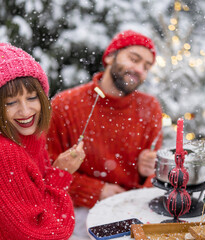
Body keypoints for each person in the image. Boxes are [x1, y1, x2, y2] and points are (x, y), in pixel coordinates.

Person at [0, 41, 85, 240]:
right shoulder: (0, 154)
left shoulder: (29, 135)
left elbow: (35, 198)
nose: (25, 111)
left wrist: (57, 170)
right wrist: (62, 175)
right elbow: (42, 233)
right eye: (11, 103)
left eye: (32, 98)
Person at [47, 30, 163, 209]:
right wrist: (95, 190)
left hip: (131, 209)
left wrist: (147, 169)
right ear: (110, 57)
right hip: (76, 210)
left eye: (146, 67)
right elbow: (47, 168)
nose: (140, 70)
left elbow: (155, 174)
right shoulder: (65, 104)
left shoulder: (150, 108)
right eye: (134, 59)